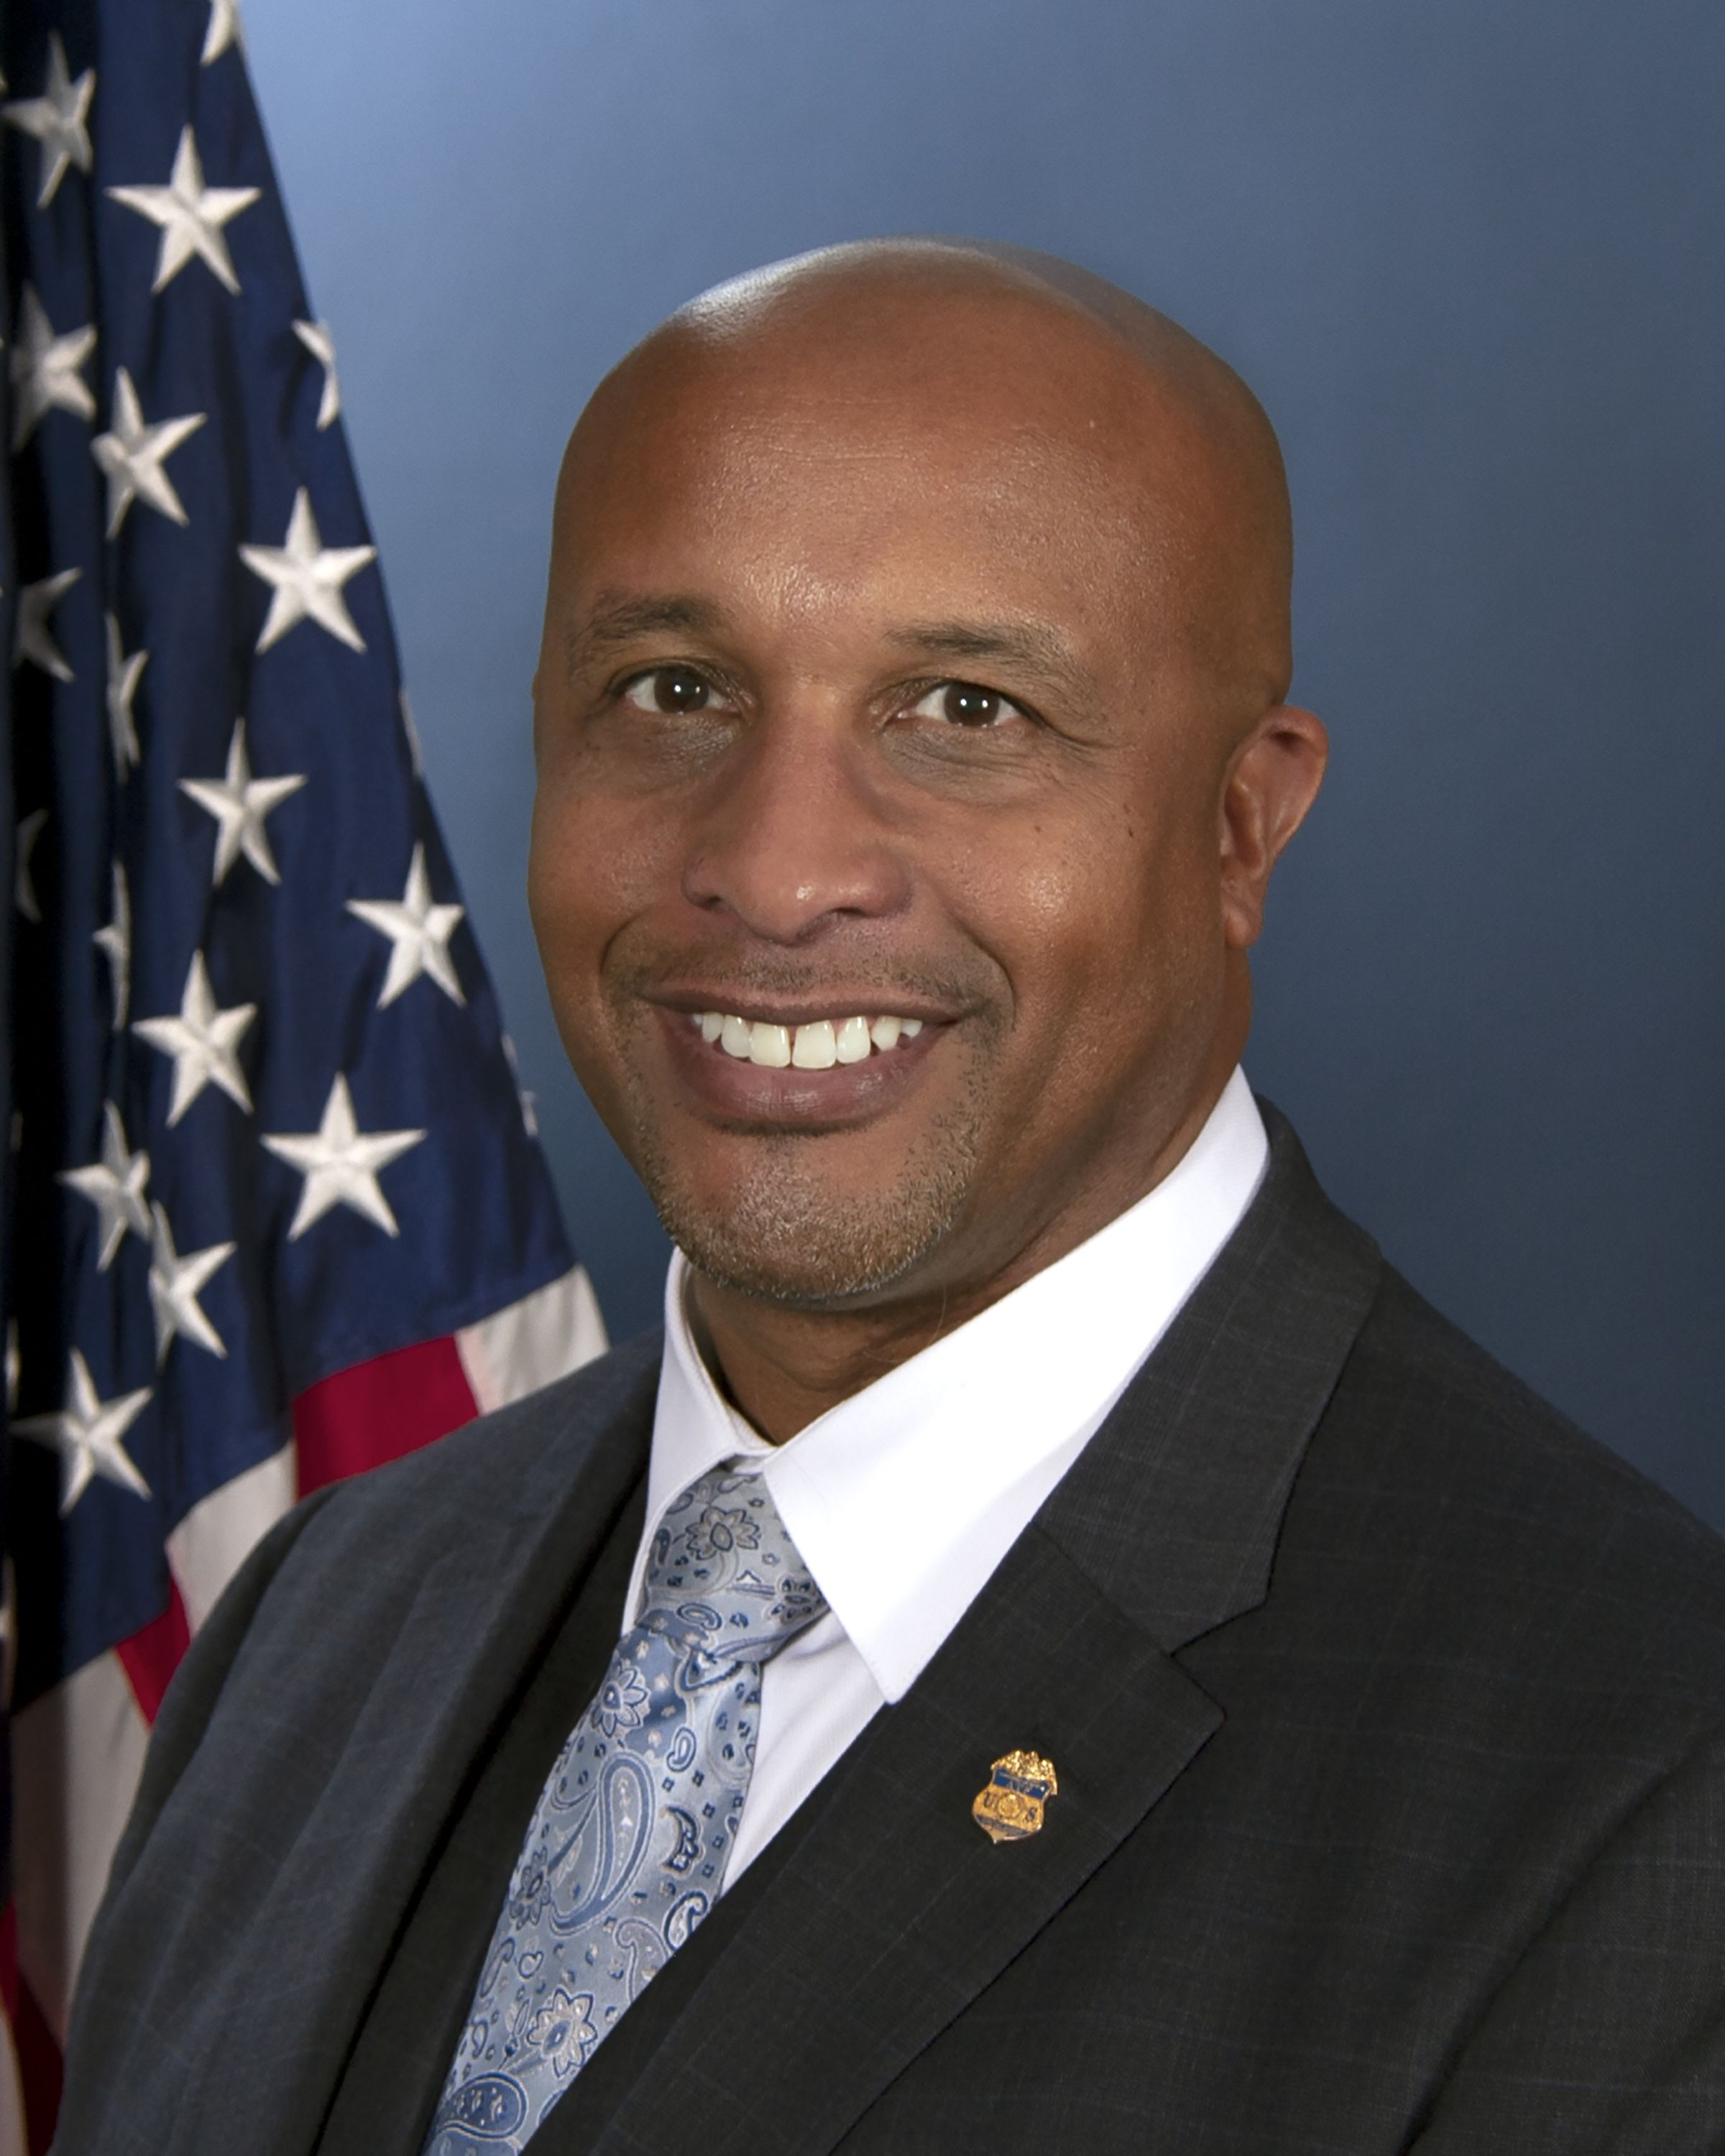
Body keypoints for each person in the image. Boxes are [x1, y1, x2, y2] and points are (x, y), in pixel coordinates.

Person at [54, 241, 1725, 2156]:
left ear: (1240, 823)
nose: (778, 873)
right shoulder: (317, 1617)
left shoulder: (1646, 1794)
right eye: (674, 689)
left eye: (966, 711)